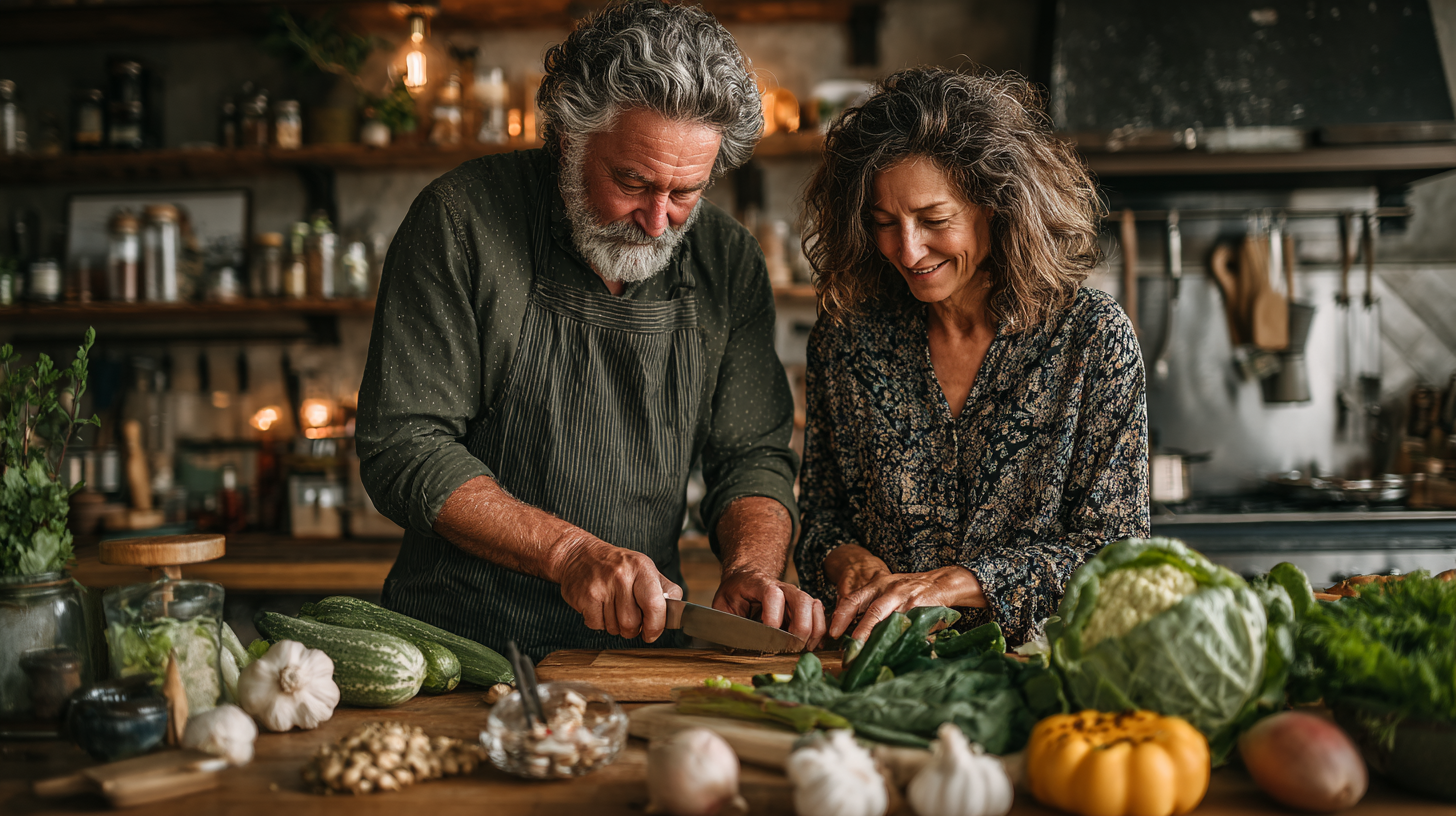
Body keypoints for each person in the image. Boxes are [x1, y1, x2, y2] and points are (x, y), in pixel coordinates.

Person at [356, 0, 825, 661]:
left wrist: (752, 567)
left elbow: (751, 455)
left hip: (642, 653)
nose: (658, 221)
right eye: (632, 182)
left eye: (686, 192)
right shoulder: (462, 222)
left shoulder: (726, 259)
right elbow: (403, 443)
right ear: (570, 138)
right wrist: (571, 553)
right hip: (458, 651)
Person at [793, 68, 1149, 648]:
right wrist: (844, 559)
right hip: (881, 673)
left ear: (998, 204)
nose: (906, 251)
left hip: (1042, 677)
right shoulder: (848, 338)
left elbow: (1117, 557)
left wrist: (962, 584)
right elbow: (820, 520)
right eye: (884, 224)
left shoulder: (1092, 339)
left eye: (934, 221)